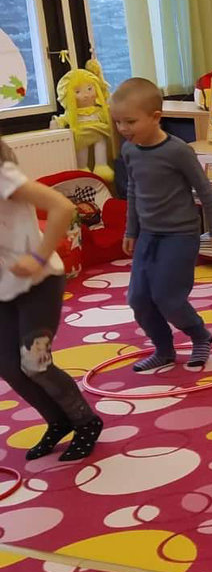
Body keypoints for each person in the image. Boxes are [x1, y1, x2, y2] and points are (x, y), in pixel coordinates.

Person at [112, 78, 212, 373]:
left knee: (168, 297)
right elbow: (133, 191)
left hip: (180, 235)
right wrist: (131, 230)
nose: (123, 128)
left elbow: (205, 190)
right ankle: (164, 350)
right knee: (138, 299)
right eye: (118, 122)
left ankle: (200, 336)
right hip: (148, 235)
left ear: (156, 117)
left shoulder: (178, 151)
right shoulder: (129, 150)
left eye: (130, 121)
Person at [0, 135, 103, 460]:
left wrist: (39, 256)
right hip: (5, 288)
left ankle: (85, 420)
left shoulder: (5, 177)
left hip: (39, 282)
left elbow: (63, 206)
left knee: (35, 363)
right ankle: (59, 420)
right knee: (9, 367)